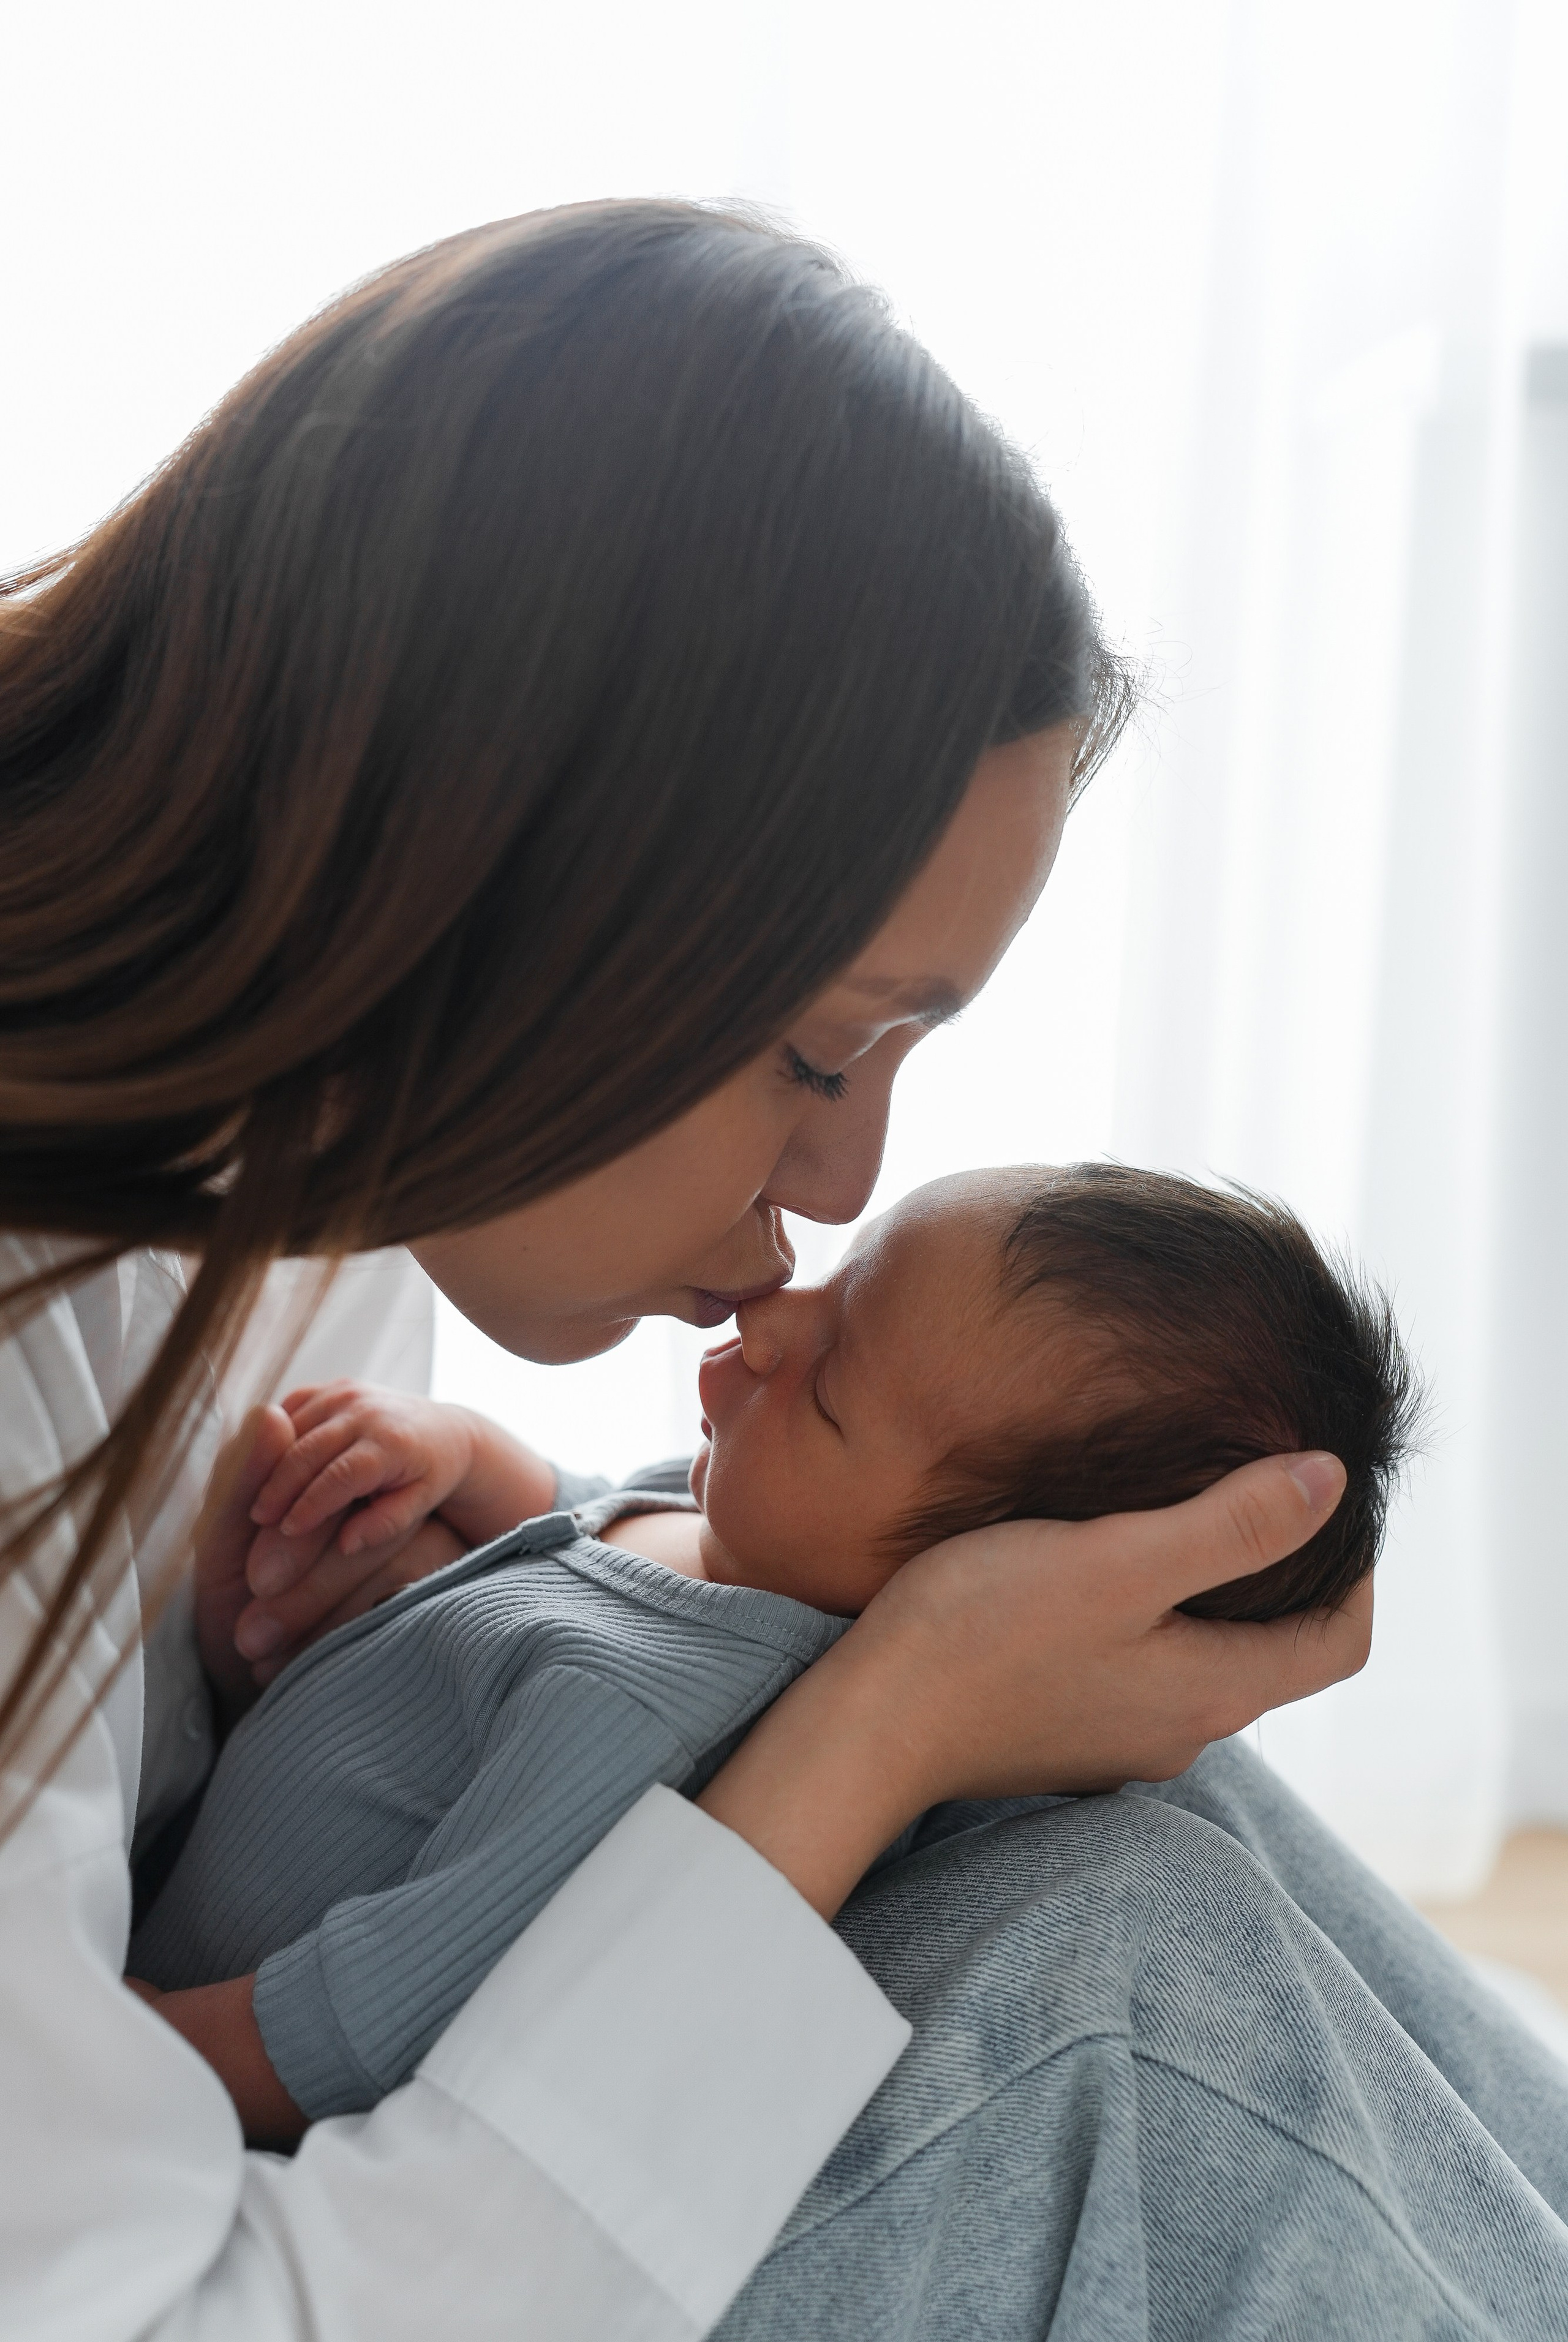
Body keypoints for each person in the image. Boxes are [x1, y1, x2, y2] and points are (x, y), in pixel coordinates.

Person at [0, 201, 1559, 2342]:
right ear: (490, 862)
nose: (843, 1179)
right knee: (1133, 1989)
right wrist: (896, 1703)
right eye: (819, 1049)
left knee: (1147, 1852)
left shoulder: (276, 1177)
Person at [127, 1162, 1422, 2142]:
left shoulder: (638, 1721)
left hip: (198, 2030)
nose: (769, 1322)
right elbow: (597, 1525)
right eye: (841, 1279)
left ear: (966, 1587)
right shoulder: (740, 1534)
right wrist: (469, 1458)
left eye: (833, 1390)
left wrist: (108, 2050)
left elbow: (376, 2014)